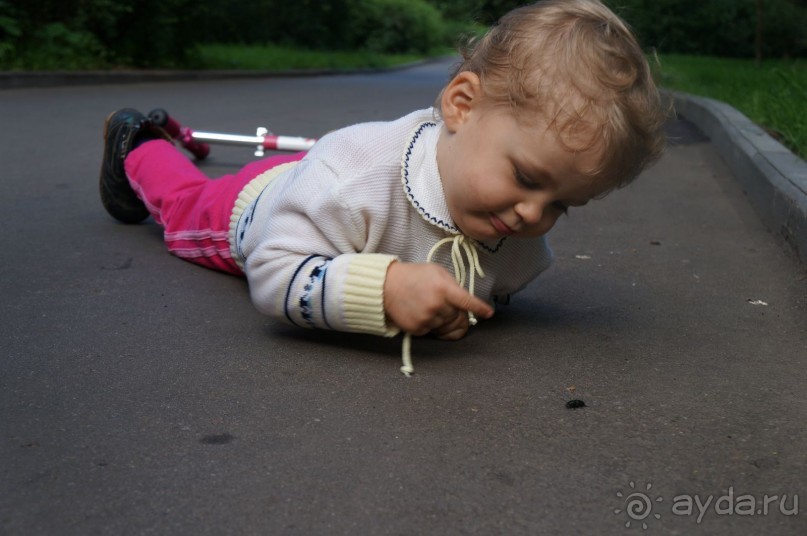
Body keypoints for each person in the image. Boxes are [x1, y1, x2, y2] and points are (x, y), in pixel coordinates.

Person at [99, 0, 668, 375]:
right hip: (262, 210)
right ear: (462, 105)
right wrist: (384, 290)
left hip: (324, 196)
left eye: (562, 206)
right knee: (182, 207)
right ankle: (140, 146)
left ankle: (160, 139)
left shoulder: (516, 234)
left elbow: (487, 283)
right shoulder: (354, 174)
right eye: (525, 179)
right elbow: (273, 274)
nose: (531, 215)